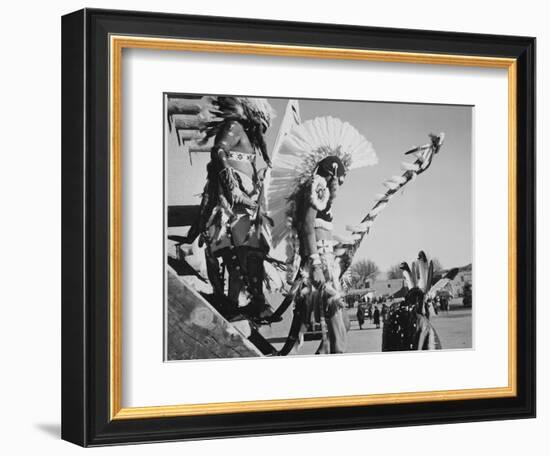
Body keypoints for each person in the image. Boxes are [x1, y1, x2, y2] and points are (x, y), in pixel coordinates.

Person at [265, 116, 377, 354]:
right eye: (340, 181)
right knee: (337, 327)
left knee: (341, 324)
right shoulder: (316, 189)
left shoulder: (320, 193)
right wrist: (316, 265)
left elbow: (317, 231)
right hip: (318, 268)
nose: (340, 186)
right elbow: (307, 228)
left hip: (326, 266)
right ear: (333, 174)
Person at [186, 96, 277, 322]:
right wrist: (232, 186)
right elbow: (218, 151)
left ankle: (239, 305)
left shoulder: (246, 138)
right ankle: (234, 304)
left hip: (246, 206)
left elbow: (240, 164)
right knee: (237, 256)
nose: (262, 133)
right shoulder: (234, 126)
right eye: (262, 127)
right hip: (229, 206)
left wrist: (259, 178)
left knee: (250, 255)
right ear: (254, 118)